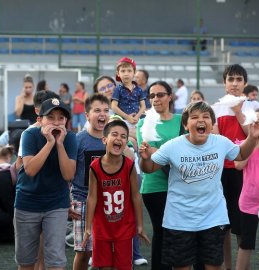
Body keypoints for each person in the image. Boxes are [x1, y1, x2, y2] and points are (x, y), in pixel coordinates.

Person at [139, 101, 259, 270]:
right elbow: (150, 168)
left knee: (213, 266)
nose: (201, 120)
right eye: (194, 117)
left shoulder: (220, 142)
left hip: (213, 217)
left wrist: (252, 137)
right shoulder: (174, 145)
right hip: (179, 219)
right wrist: (145, 158)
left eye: (206, 117)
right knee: (182, 267)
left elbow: (240, 154)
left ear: (212, 124)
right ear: (185, 124)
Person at [14, 98, 77, 270]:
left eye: (61, 118)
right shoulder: (29, 135)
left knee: (56, 261)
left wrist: (59, 145)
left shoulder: (70, 138)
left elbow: (68, 174)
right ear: (40, 120)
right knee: (26, 261)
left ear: (66, 122)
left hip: (56, 204)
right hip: (27, 203)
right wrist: (49, 143)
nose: (56, 122)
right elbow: (30, 169)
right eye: (50, 117)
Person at [83, 120, 149, 270]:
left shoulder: (129, 164)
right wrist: (88, 227)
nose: (119, 138)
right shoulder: (95, 166)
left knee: (124, 266)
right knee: (104, 266)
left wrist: (140, 225)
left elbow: (135, 196)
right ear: (104, 139)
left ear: (127, 142)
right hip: (102, 226)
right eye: (115, 134)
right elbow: (92, 197)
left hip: (124, 226)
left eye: (124, 136)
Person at [136, 81, 183, 270]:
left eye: (160, 94)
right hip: (155, 186)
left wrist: (160, 151)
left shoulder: (182, 120)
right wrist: (165, 153)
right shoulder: (143, 122)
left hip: (180, 185)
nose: (156, 99)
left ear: (170, 96)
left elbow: (189, 151)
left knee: (180, 234)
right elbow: (148, 154)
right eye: (152, 95)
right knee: (162, 233)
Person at [211, 64, 252, 269]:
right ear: (224, 82)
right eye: (230, 79)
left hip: (244, 172)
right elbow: (215, 139)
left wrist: (238, 111)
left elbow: (253, 135)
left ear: (245, 82)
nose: (234, 83)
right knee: (223, 225)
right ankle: (227, 266)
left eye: (238, 79)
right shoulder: (215, 107)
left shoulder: (253, 106)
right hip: (221, 172)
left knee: (242, 224)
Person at [70, 94, 110, 270]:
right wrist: (68, 200)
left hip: (107, 201)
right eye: (97, 110)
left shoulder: (112, 139)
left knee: (107, 249)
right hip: (82, 199)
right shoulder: (78, 140)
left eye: (106, 110)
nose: (102, 114)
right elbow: (68, 174)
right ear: (87, 115)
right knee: (83, 251)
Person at [234, 107, 259, 270]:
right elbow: (238, 165)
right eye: (256, 122)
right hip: (249, 202)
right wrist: (252, 140)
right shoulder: (244, 144)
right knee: (246, 244)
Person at [111, 57, 146, 127]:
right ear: (118, 73)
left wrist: (137, 117)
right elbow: (113, 106)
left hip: (136, 119)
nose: (126, 74)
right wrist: (127, 117)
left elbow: (143, 106)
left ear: (134, 73)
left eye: (129, 71)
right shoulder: (118, 89)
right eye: (123, 71)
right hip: (121, 120)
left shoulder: (139, 89)